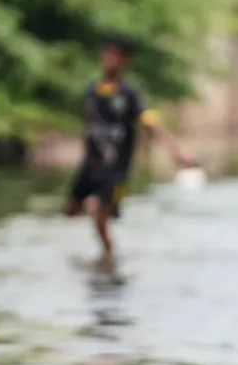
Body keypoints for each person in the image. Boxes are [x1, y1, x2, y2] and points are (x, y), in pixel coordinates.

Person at [64, 36, 193, 260]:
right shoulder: (91, 91)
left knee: (100, 218)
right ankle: (105, 252)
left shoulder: (130, 95)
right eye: (106, 55)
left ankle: (108, 258)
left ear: (125, 62)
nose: (108, 60)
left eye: (114, 56)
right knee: (70, 210)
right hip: (90, 165)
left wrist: (177, 153)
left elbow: (152, 125)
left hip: (115, 169)